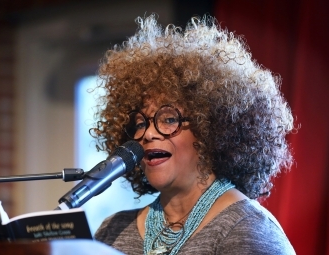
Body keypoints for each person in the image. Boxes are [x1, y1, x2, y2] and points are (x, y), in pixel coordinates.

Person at [92, 14, 296, 255]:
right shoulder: (112, 231)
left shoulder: (247, 230)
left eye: (168, 119)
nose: (147, 134)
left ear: (211, 128)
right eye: (139, 123)